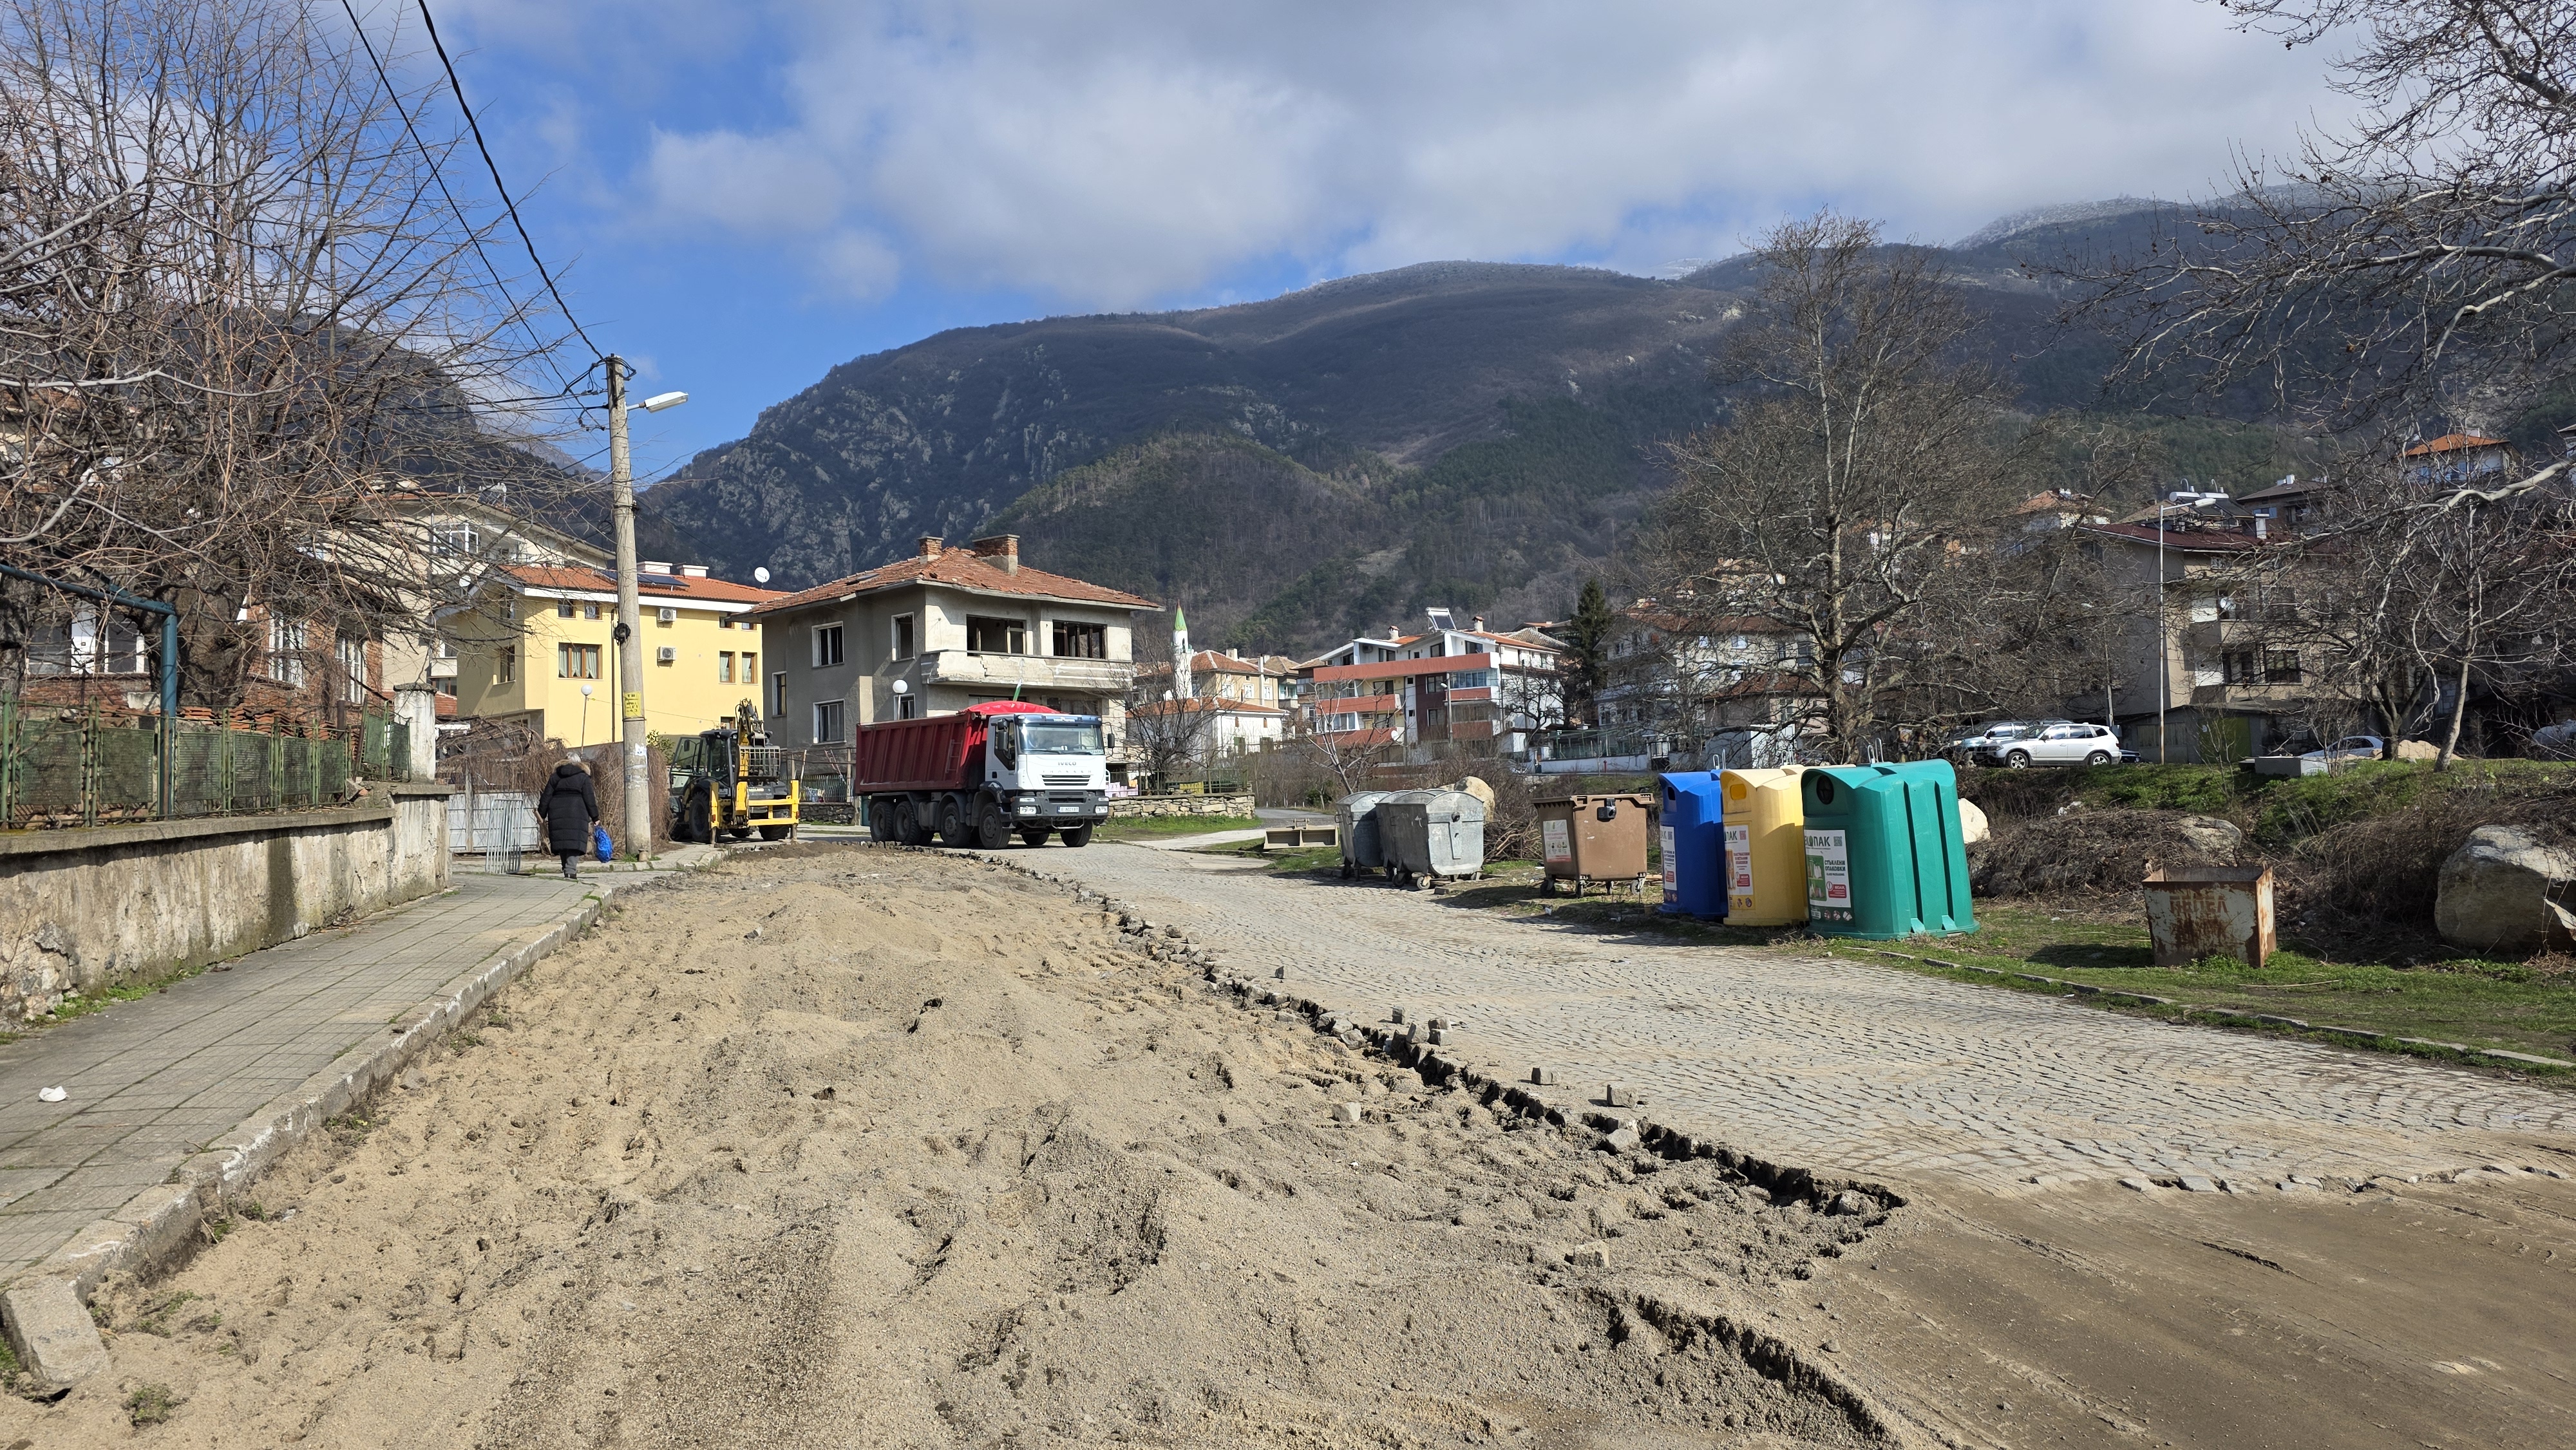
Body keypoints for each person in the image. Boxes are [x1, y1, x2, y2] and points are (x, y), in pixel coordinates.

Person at [537, 760, 600, 880]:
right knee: (574, 843)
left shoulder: (555, 777)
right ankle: (570, 871)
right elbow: (590, 798)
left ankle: (566, 869)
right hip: (578, 812)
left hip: (557, 812)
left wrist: (541, 814)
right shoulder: (583, 778)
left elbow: (546, 797)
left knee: (563, 842)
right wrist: (595, 817)